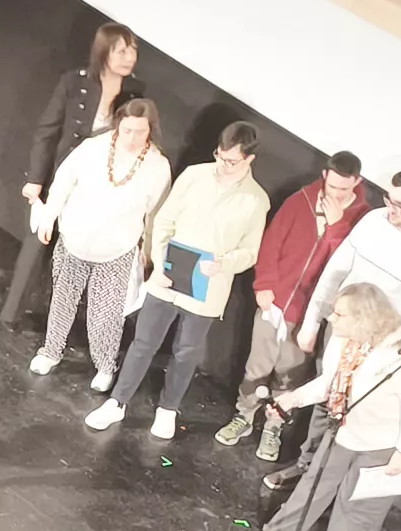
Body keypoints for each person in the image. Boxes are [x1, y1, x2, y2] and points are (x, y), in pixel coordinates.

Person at [239, 281, 401, 531]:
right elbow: (331, 382)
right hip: (348, 423)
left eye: (340, 314)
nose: (331, 318)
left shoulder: (399, 353)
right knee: (316, 481)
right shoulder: (343, 341)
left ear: (363, 318)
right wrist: (292, 399)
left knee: (359, 500)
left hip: (389, 437)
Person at [93, 121, 270, 439]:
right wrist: (159, 263)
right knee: (143, 343)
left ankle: (167, 410)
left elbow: (250, 252)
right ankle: (117, 403)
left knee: (186, 352)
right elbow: (165, 220)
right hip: (168, 274)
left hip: (208, 286)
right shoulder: (194, 175)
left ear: (250, 159)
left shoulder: (256, 200)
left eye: (232, 161)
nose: (223, 165)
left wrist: (224, 263)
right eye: (220, 155)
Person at [217, 151, 367, 455]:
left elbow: (346, 265)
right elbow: (271, 244)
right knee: (256, 366)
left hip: (310, 314)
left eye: (343, 189)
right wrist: (264, 286)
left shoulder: (362, 220)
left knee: (290, 375)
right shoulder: (300, 202)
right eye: (331, 185)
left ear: (357, 183)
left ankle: (273, 428)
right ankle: (243, 416)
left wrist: (337, 227)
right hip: (275, 305)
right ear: (325, 175)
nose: (335, 194)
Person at [29, 96, 172, 392]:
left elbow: (156, 216)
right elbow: (63, 182)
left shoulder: (157, 166)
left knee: (105, 314)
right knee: (62, 301)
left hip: (116, 252)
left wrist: (149, 254)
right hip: (73, 242)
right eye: (127, 130)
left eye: (140, 132)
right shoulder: (93, 148)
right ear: (118, 124)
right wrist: (49, 218)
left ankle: (106, 365)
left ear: (150, 131)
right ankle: (51, 351)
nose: (132, 138)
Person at [5, 22, 138, 330]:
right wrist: (36, 177)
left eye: (133, 51)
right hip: (63, 175)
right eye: (121, 50)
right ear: (104, 51)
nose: (128, 57)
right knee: (39, 239)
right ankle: (12, 312)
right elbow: (47, 131)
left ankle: (59, 324)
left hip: (100, 185)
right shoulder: (75, 82)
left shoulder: (134, 94)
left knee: (76, 253)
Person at [296, 162, 401, 357]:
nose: (391, 209)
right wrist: (312, 322)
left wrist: (377, 326)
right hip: (339, 333)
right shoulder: (373, 220)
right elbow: (334, 273)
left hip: (380, 348)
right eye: (389, 200)